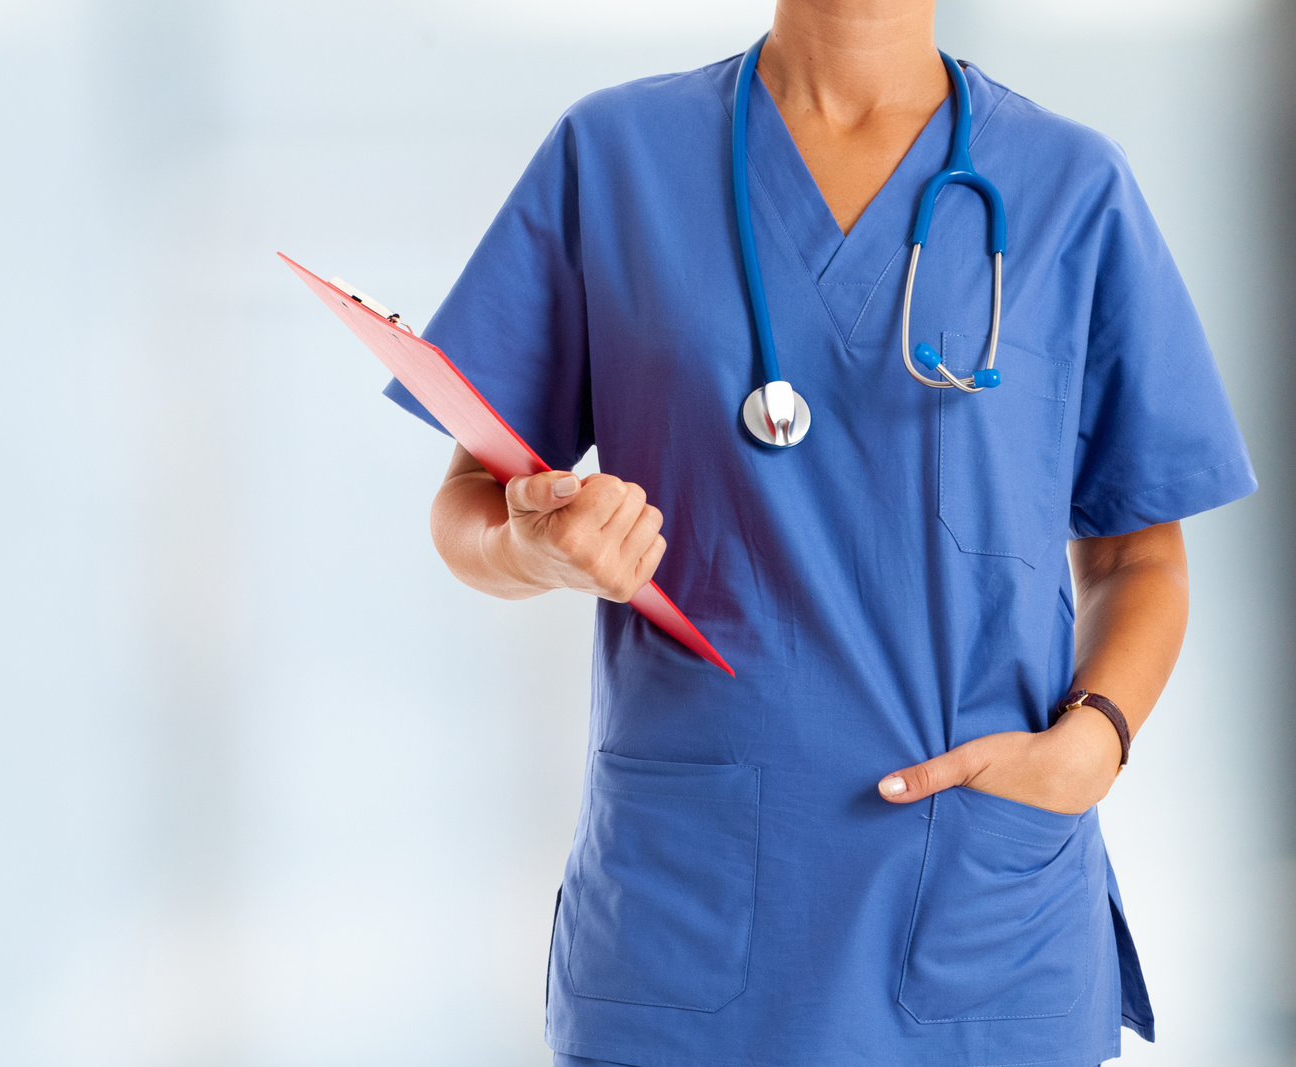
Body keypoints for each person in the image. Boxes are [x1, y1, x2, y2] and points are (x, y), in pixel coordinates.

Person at [381, 1, 1258, 1065]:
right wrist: (540, 546)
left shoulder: (1069, 186)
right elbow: (470, 499)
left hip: (977, 911)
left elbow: (1136, 553)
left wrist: (1093, 740)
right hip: (689, 914)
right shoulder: (612, 158)